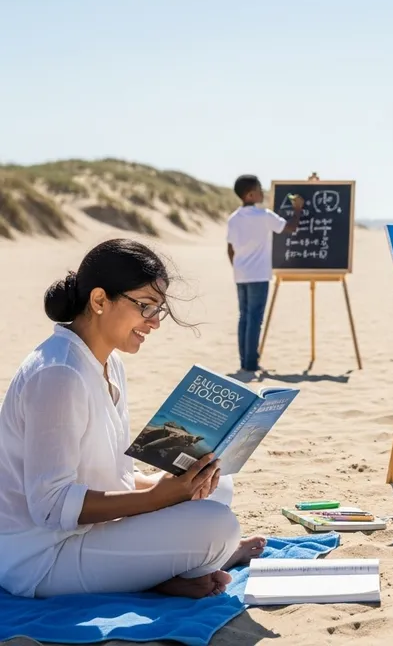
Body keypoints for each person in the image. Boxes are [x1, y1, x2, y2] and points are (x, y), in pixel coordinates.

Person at [0, 239, 265, 599]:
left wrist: (170, 484)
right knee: (216, 527)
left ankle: (164, 572)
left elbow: (110, 474)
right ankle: (169, 571)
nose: (154, 322)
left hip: (89, 532)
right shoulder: (58, 374)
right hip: (41, 557)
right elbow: (50, 507)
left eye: (159, 310)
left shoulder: (108, 362)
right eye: (145, 306)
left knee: (219, 487)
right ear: (98, 301)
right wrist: (158, 497)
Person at [226, 175, 304, 372]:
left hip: (241, 273)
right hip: (258, 274)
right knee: (255, 319)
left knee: (244, 317)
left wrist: (236, 267)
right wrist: (298, 209)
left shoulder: (233, 219)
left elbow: (230, 248)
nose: (263, 192)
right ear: (251, 194)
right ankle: (251, 363)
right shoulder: (264, 216)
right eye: (260, 189)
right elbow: (290, 228)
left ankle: (244, 361)